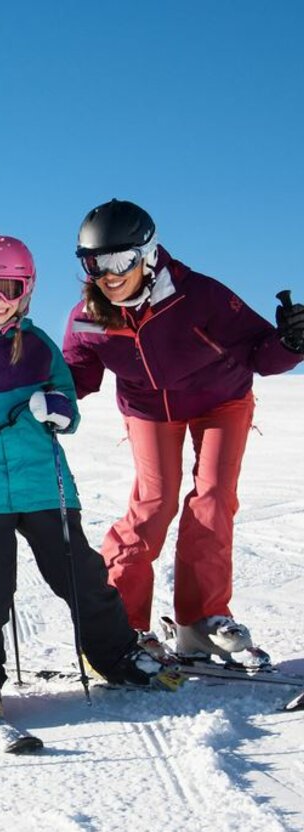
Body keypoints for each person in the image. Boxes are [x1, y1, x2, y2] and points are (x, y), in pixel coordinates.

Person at [0, 236, 179, 719]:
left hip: (44, 483)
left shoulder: (38, 346)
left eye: (11, 290)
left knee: (79, 574)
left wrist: (58, 408)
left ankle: (116, 655)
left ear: (28, 291)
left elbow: (66, 401)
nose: (0, 301)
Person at [63, 199, 304, 665]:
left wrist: (292, 344)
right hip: (150, 409)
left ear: (148, 255)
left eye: (120, 261)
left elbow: (261, 354)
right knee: (153, 505)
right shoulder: (89, 317)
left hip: (222, 401)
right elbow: (77, 376)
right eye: (95, 263)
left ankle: (202, 621)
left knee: (212, 497)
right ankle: (122, 626)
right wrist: (40, 397)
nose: (109, 275)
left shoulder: (201, 296)